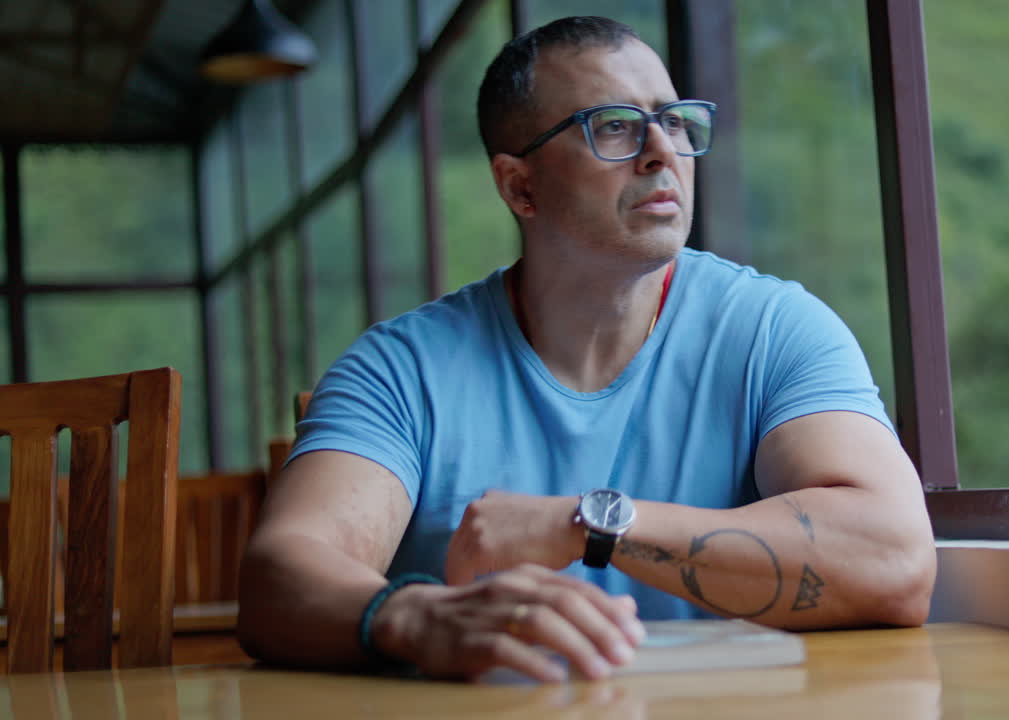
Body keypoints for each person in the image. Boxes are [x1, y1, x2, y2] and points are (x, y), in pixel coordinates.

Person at [238, 15, 935, 683]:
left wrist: (592, 524)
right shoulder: (400, 370)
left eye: (673, 120)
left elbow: (897, 562)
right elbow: (280, 579)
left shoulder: (775, 328)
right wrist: (420, 619)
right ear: (520, 186)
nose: (663, 151)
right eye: (615, 127)